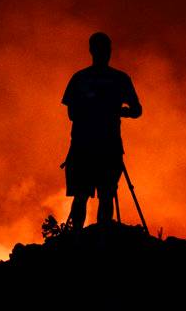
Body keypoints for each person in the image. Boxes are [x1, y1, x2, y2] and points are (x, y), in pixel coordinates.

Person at [61, 32, 142, 228]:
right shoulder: (119, 79)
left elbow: (71, 113)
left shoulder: (80, 78)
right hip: (105, 146)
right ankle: (101, 237)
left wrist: (92, 111)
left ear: (91, 50)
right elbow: (137, 110)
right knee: (104, 195)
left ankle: (78, 237)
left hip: (85, 146)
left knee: (83, 195)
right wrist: (119, 112)